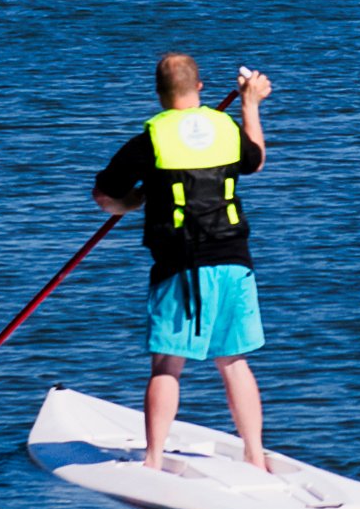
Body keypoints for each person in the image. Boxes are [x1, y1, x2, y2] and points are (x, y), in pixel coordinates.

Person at [91, 54, 276, 475]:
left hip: (181, 267)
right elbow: (256, 161)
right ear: (201, 88)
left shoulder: (148, 142)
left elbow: (104, 195)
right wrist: (250, 105)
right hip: (234, 262)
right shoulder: (225, 127)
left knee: (167, 364)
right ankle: (254, 455)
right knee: (234, 360)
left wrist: (130, 203)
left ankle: (153, 462)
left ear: (158, 94)